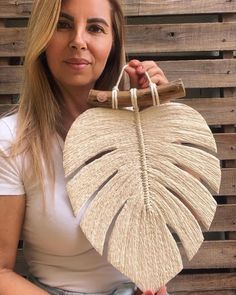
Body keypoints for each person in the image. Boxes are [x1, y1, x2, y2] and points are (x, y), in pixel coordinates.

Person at [0, 0, 169, 294]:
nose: (78, 41)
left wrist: (158, 120)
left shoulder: (138, 131)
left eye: (95, 28)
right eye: (63, 25)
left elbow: (162, 243)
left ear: (113, 44)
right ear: (43, 38)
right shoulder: (12, 142)